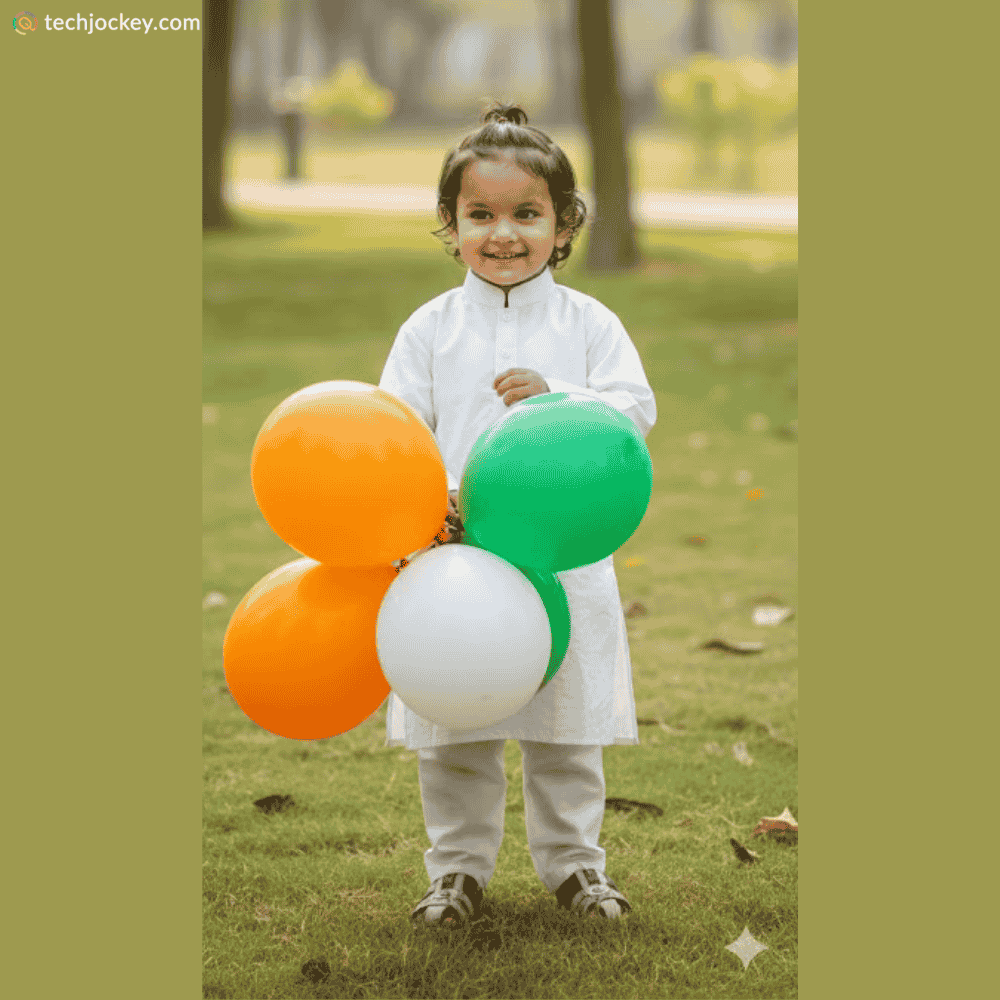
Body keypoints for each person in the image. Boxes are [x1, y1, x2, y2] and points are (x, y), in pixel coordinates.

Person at [379, 103, 656, 927]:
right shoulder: (430, 329)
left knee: (566, 732)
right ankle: (456, 870)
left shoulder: (588, 324)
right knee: (456, 731)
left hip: (562, 561)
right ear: (451, 223)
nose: (504, 234)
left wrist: (561, 395)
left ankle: (576, 866)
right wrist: (424, 512)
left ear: (564, 224)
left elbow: (633, 411)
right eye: (481, 215)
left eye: (526, 214)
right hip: (454, 563)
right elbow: (395, 428)